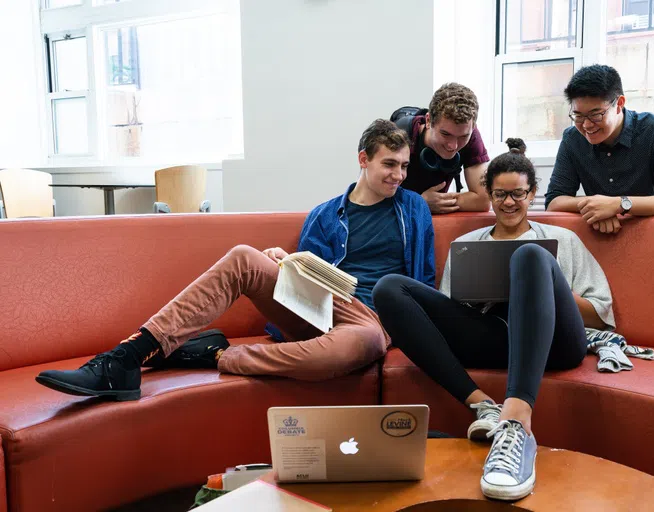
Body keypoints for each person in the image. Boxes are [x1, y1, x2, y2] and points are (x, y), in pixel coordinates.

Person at [36, 119, 435, 401]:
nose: (399, 175)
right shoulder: (326, 214)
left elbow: (424, 281)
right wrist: (287, 264)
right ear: (363, 159)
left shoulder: (414, 209)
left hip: (374, 320)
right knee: (246, 256)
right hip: (322, 307)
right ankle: (124, 357)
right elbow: (313, 270)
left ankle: (216, 356)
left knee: (361, 344)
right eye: (389, 164)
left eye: (403, 166)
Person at [372, 138, 615, 501]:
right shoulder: (470, 243)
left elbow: (601, 314)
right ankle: (482, 404)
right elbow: (450, 313)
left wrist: (546, 288)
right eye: (500, 194)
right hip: (492, 335)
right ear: (489, 194)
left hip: (554, 344)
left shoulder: (561, 239)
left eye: (518, 193)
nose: (509, 203)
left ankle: (516, 421)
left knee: (529, 256)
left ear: (532, 194)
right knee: (388, 288)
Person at [546, 64, 654, 235]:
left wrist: (618, 205)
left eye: (596, 115)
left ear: (619, 104)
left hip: (651, 233)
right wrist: (598, 207)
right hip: (597, 237)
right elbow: (554, 202)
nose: (586, 125)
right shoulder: (572, 139)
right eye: (578, 116)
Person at [397, 83, 491, 214]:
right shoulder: (400, 136)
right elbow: (375, 197)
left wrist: (433, 203)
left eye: (463, 136)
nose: (453, 146)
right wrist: (420, 202)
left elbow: (483, 200)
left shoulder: (471, 134)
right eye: (445, 134)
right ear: (428, 121)